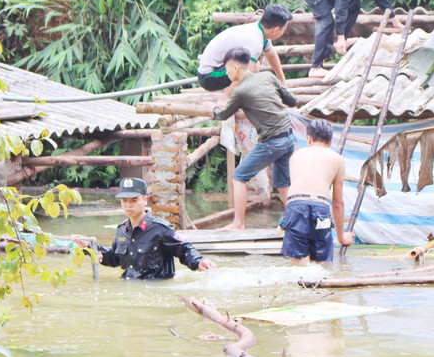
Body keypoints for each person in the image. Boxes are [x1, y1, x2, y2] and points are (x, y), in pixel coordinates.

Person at [210, 47, 298, 231]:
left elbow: (223, 114)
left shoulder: (240, 91)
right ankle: (297, 222)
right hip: (288, 137)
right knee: (282, 184)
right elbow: (292, 100)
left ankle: (238, 223)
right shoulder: (268, 76)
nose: (226, 73)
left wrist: (213, 108)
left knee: (239, 176)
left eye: (226, 69)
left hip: (272, 141)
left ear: (234, 68)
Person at [72, 178, 217, 279]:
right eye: (124, 201)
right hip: (129, 286)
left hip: (156, 288)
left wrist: (199, 261)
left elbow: (184, 249)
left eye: (134, 200)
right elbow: (115, 259)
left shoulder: (160, 229)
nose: (128, 205)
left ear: (145, 200)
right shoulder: (122, 230)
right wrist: (89, 248)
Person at [280, 119, 354, 264]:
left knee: (300, 262)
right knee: (322, 264)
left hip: (296, 206)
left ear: (309, 139)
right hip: (321, 208)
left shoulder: (295, 156)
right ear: (330, 142)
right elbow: (338, 203)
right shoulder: (338, 159)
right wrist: (341, 238)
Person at [197, 3, 293, 98]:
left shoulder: (259, 30)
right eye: (283, 30)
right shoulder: (255, 42)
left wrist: (282, 80)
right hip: (208, 76)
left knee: (255, 65)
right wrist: (226, 99)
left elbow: (271, 55)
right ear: (276, 30)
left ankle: (234, 95)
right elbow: (244, 76)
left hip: (219, 68)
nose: (283, 32)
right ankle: (227, 98)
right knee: (250, 70)